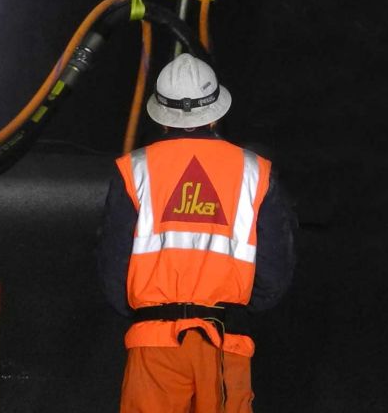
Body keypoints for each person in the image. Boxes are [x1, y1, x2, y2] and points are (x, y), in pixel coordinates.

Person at [98, 52, 296, 413]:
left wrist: (147, 317)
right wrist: (236, 311)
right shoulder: (256, 172)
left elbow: (113, 264)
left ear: (161, 116)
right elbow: (275, 271)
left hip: (153, 344)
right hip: (224, 340)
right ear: (217, 111)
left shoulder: (134, 170)